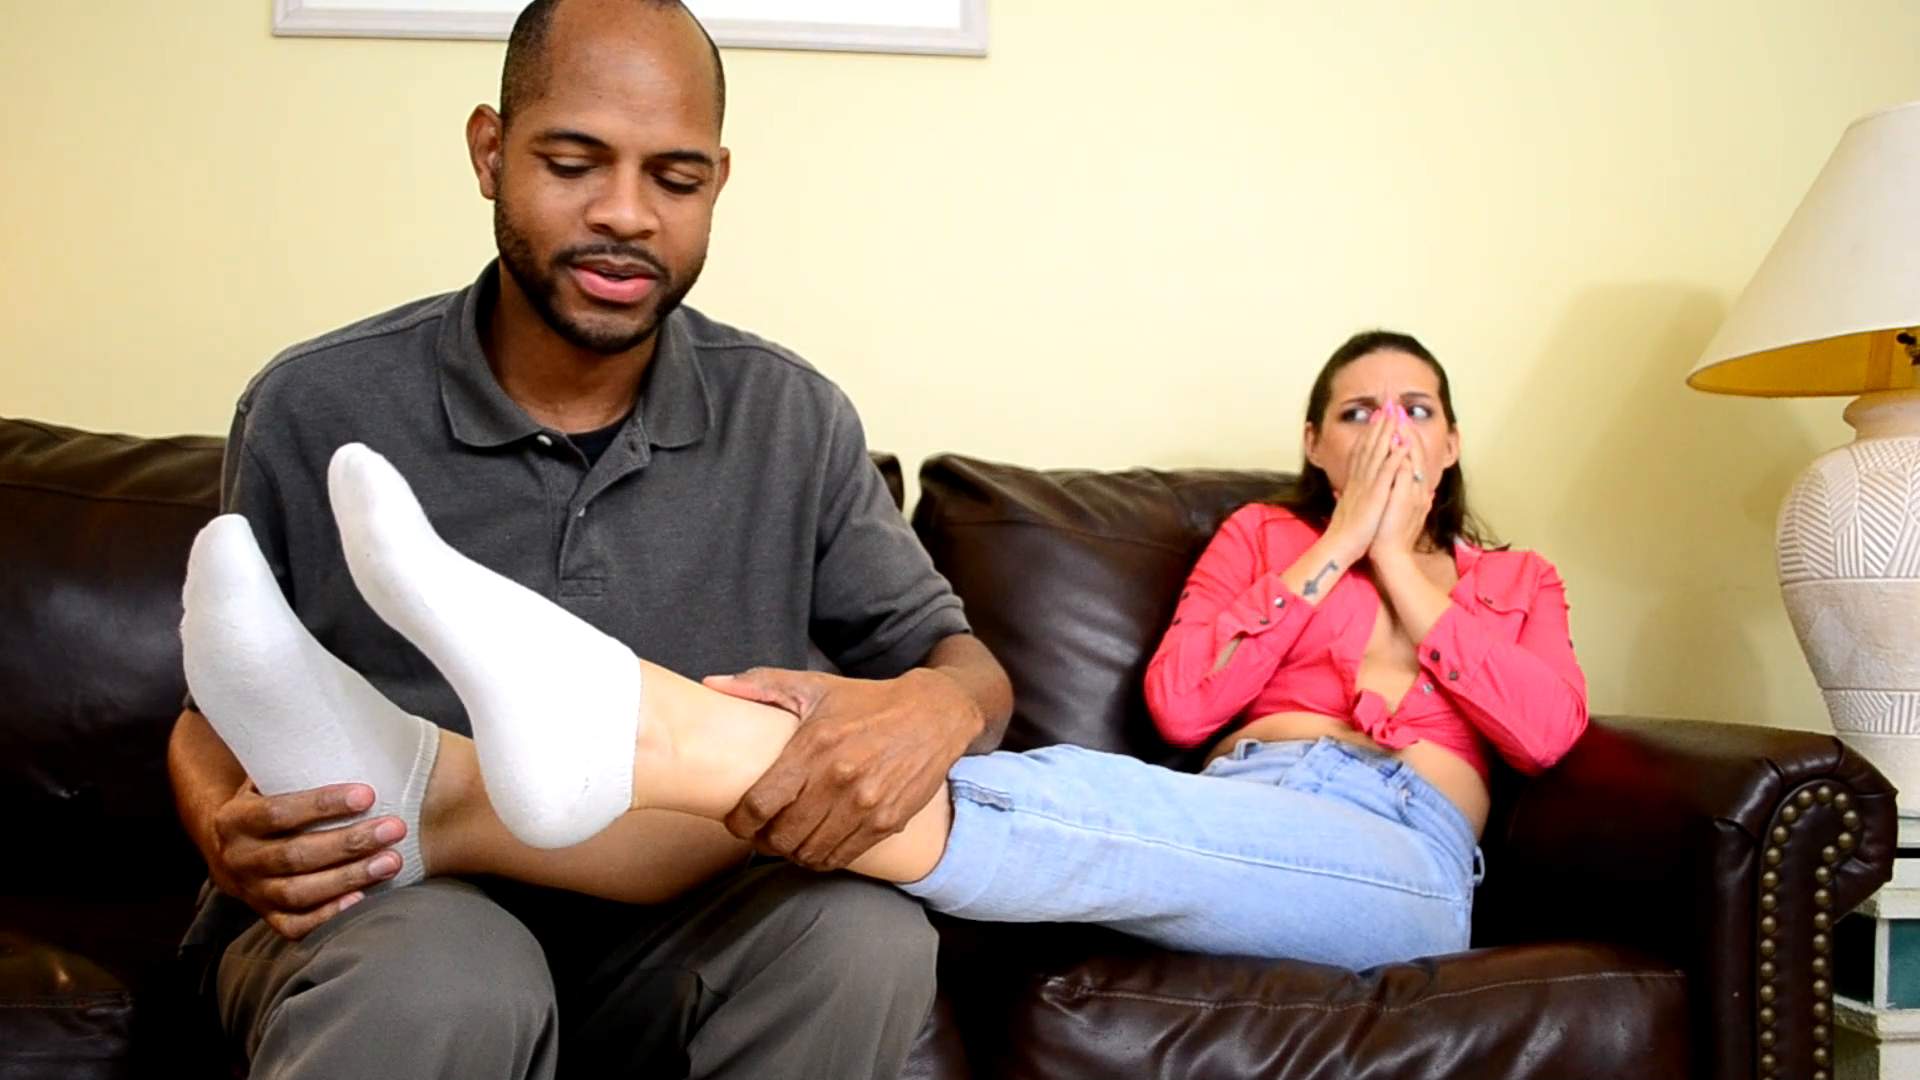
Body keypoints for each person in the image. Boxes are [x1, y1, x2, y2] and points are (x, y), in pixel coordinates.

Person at [182, 329, 1588, 989]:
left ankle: (586, 743)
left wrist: (1405, 564)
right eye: (1358, 413)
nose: (1389, 433)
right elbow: (1184, 703)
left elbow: (1544, 730)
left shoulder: (1514, 580)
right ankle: (472, 785)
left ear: (1456, 440)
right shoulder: (1261, 542)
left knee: (1013, 805)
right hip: (1231, 798)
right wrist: (1333, 548)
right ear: (1315, 443)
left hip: (1402, 853)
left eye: (1417, 410)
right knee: (1001, 798)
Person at [165, 1, 1011, 1077]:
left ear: (719, 183)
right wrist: (220, 826)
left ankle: (467, 801)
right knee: (452, 976)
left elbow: (964, 667)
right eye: (572, 164)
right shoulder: (318, 403)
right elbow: (211, 713)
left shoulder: (792, 418)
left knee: (863, 939)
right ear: (490, 152)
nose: (626, 214)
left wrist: (939, 707)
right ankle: (433, 811)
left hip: (675, 931)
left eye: (677, 180)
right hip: (393, 918)